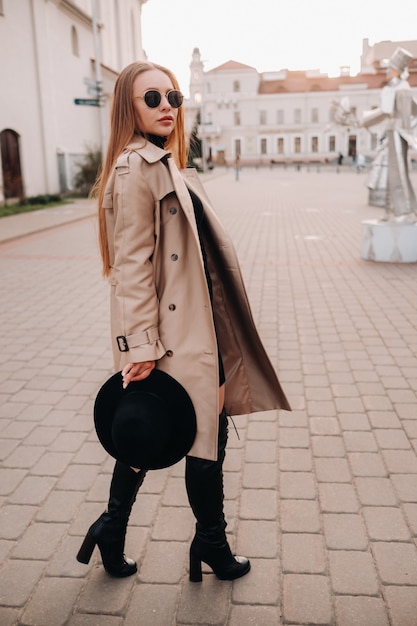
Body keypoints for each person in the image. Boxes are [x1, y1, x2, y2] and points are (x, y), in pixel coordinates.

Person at [76, 61, 290, 582]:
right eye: (152, 98)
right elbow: (129, 268)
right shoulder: (134, 168)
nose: (167, 106)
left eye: (172, 96)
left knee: (193, 431)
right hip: (170, 336)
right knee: (175, 431)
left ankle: (131, 529)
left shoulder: (164, 161)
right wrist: (140, 347)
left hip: (198, 327)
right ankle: (204, 544)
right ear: (128, 106)